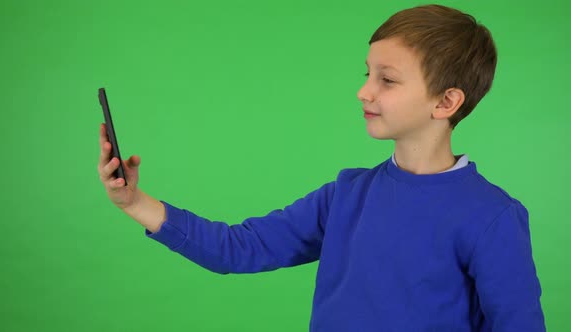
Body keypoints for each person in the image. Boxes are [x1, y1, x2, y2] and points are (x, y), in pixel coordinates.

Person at [97, 4, 546, 331]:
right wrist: (133, 201)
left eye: (386, 80)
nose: (364, 92)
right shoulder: (346, 195)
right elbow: (239, 247)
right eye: (367, 74)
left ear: (446, 101)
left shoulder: (492, 217)